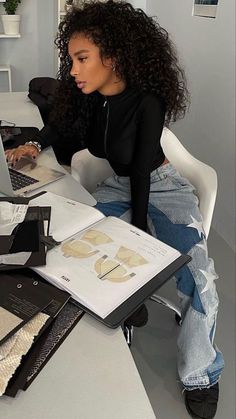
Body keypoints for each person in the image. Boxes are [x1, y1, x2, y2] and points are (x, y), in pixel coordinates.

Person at [6, 2, 224, 418]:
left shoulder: (147, 101)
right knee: (71, 248)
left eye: (82, 58)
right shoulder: (92, 97)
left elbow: (141, 173)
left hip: (161, 185)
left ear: (115, 56)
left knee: (197, 272)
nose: (73, 69)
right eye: (71, 59)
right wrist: (35, 143)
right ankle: (125, 303)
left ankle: (202, 374)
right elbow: (63, 125)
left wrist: (137, 241)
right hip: (120, 185)